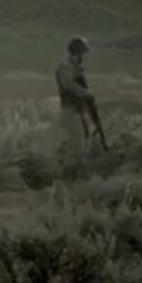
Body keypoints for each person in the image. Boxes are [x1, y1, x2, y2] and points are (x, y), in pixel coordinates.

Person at [55, 36, 95, 178]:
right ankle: (66, 177)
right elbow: (68, 85)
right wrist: (86, 93)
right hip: (70, 112)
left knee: (84, 146)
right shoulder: (65, 68)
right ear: (77, 53)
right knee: (77, 147)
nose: (83, 58)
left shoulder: (76, 70)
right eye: (82, 54)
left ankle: (76, 177)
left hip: (79, 112)